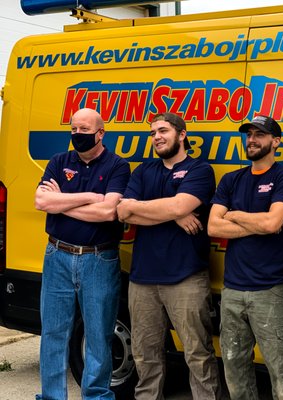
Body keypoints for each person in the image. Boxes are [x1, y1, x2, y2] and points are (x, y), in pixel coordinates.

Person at [116, 112, 221, 400]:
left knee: (198, 353)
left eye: (163, 130)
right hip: (142, 279)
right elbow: (123, 211)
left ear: (182, 134)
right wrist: (174, 214)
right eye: (152, 133)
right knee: (145, 353)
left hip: (186, 276)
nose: (157, 137)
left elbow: (177, 205)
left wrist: (160, 208)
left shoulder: (200, 170)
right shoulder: (143, 171)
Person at [34, 108, 131, 399]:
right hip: (57, 255)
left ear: (100, 133)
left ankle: (96, 396)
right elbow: (41, 201)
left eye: (84, 130)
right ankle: (52, 396)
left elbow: (108, 212)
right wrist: (89, 197)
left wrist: (61, 201)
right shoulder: (59, 161)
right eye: (74, 129)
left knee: (99, 334)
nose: (77, 135)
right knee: (53, 333)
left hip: (99, 259)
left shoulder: (117, 166)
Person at [208, 115, 283, 400]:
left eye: (259, 134)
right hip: (233, 291)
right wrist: (257, 224)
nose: (251, 140)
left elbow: (272, 224)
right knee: (235, 371)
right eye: (249, 135)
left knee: (281, 375)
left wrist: (234, 215)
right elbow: (213, 227)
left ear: (276, 142)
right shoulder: (231, 179)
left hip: (270, 291)